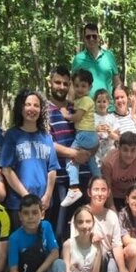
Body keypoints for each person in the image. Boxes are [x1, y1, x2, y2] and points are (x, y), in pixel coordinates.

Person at [0, 90, 59, 227]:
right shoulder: (12, 135)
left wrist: (48, 196)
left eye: (36, 105)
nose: (32, 109)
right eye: (28, 104)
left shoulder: (46, 137)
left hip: (44, 204)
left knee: (43, 245)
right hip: (19, 204)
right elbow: (7, 170)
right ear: (21, 108)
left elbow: (52, 169)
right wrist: (27, 197)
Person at [46, 65, 89, 243]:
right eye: (57, 82)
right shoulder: (43, 110)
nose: (61, 87)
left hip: (84, 174)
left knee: (84, 227)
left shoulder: (76, 109)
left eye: (65, 83)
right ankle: (60, 267)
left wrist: (89, 151)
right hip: (61, 179)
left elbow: (89, 132)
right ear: (50, 83)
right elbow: (46, 142)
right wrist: (73, 153)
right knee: (60, 229)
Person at [86, 176, 133, 272]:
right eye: (96, 189)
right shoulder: (81, 214)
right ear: (89, 192)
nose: (100, 193)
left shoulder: (112, 215)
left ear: (108, 193)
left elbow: (116, 244)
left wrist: (122, 269)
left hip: (107, 256)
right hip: (88, 258)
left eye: (103, 190)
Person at [60, 69, 98, 206]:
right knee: (91, 159)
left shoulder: (86, 100)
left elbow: (77, 117)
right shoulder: (81, 100)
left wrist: (65, 114)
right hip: (90, 135)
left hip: (84, 134)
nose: (80, 89)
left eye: (83, 86)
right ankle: (98, 180)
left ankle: (74, 187)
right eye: (76, 85)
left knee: (71, 158)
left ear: (90, 87)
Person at [70, 22, 121, 108]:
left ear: (98, 37)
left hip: (107, 109)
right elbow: (72, 84)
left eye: (94, 36)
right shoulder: (78, 59)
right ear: (84, 39)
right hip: (85, 110)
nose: (91, 39)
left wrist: (120, 101)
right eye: (88, 36)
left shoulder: (109, 56)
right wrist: (70, 104)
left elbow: (117, 82)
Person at [102, 131, 136, 211]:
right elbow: (107, 189)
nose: (129, 154)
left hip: (135, 195)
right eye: (125, 150)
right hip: (115, 196)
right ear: (119, 148)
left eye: (133, 150)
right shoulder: (108, 162)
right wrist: (112, 209)